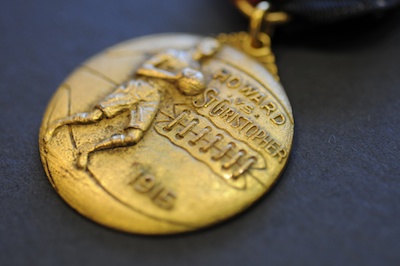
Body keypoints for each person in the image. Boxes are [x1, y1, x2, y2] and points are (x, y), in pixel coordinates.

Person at [44, 38, 220, 169]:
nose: (211, 50)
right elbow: (143, 69)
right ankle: (57, 125)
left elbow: (183, 91)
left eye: (214, 50)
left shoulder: (195, 70)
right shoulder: (172, 54)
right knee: (95, 117)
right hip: (139, 86)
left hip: (154, 97)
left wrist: (191, 87)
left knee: (133, 137)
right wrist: (172, 77)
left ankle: (88, 150)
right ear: (202, 43)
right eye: (211, 45)